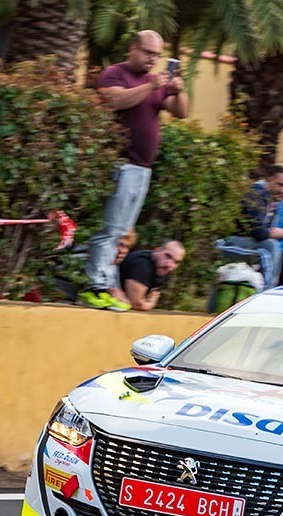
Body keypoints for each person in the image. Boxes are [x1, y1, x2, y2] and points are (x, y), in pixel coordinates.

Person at [81, 30, 189, 311]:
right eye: (148, 53)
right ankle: (97, 286)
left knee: (121, 234)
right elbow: (115, 100)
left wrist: (178, 90)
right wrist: (151, 87)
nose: (153, 60)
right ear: (133, 49)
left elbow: (182, 112)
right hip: (122, 164)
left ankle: (108, 283)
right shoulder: (115, 74)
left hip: (143, 169)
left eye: (157, 55)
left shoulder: (155, 82)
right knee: (110, 230)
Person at [219, 164, 283, 289]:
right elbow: (259, 233)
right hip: (230, 243)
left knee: (276, 247)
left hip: (247, 243)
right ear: (269, 179)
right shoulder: (255, 195)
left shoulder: (272, 199)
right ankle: (268, 291)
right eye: (280, 185)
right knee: (270, 246)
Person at [120, 240, 186, 311]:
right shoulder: (142, 264)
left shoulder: (161, 267)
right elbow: (136, 304)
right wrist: (150, 304)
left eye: (176, 262)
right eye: (167, 256)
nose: (169, 264)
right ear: (157, 250)